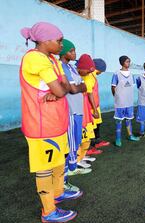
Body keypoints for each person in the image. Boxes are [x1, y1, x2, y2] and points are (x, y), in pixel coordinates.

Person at [19, 22, 80, 222]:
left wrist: (58, 91)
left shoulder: (51, 58)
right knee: (45, 168)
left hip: (56, 122)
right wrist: (58, 91)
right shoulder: (35, 59)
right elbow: (62, 89)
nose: (62, 44)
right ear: (45, 41)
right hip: (41, 126)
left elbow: (64, 86)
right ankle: (49, 212)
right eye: (59, 40)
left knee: (58, 161)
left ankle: (58, 192)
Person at [59, 39, 90, 191]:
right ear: (64, 52)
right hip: (70, 111)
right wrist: (80, 86)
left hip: (78, 111)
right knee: (69, 146)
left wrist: (80, 86)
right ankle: (63, 181)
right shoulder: (61, 67)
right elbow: (72, 89)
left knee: (76, 142)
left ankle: (71, 169)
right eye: (71, 51)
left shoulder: (71, 67)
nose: (74, 53)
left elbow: (82, 86)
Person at [81, 58, 110, 155]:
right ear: (99, 69)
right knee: (91, 128)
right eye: (101, 71)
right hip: (90, 107)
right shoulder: (89, 76)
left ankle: (97, 142)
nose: (101, 73)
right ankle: (90, 147)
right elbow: (89, 93)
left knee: (97, 124)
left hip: (95, 106)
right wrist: (94, 109)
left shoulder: (93, 76)